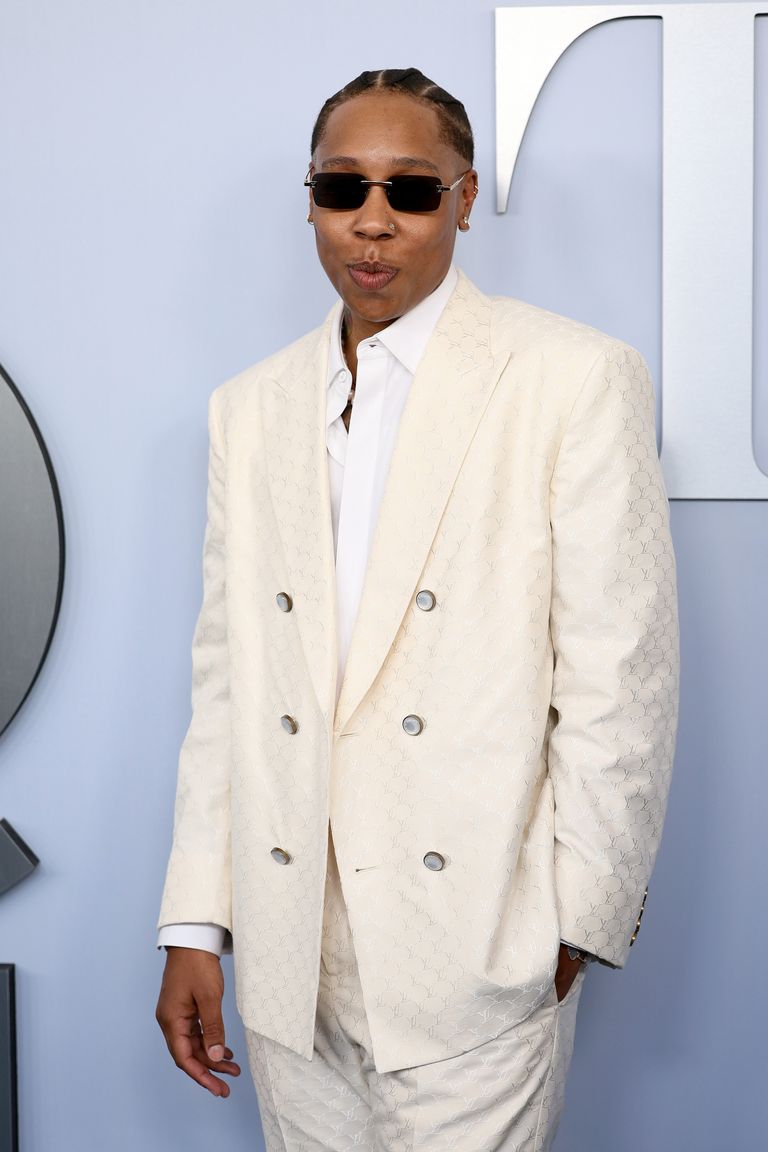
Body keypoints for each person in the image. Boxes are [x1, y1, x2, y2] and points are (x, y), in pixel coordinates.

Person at [155, 67, 679, 1151]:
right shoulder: (250, 409)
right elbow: (230, 686)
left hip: (475, 943)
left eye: (412, 189)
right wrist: (194, 924)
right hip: (293, 943)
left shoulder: (571, 378)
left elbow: (620, 673)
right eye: (345, 188)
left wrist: (573, 917)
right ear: (310, 200)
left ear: (466, 197)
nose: (375, 220)